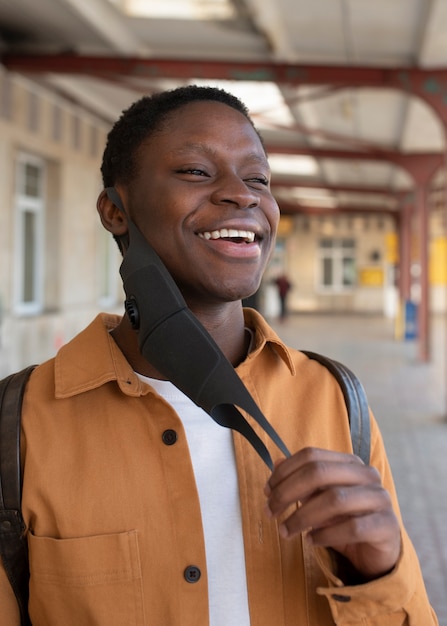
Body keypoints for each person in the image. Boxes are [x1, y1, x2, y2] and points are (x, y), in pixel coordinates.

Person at [0, 86, 437, 626]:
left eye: (258, 179)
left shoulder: (333, 398)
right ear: (115, 210)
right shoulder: (20, 423)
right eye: (195, 172)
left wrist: (380, 569)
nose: (243, 195)